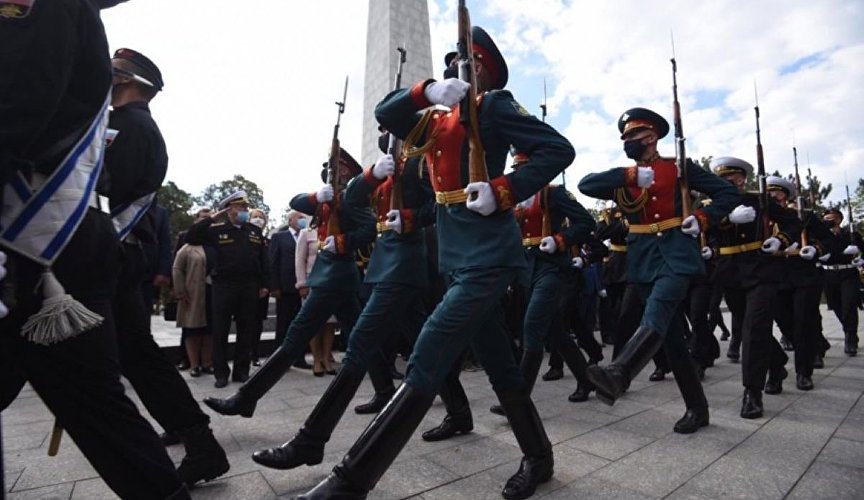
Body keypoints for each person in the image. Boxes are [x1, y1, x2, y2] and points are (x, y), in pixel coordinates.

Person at [297, 26, 574, 500]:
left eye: (461, 64)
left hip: (490, 255)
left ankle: (350, 482)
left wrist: (502, 189)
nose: (451, 70)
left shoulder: (496, 106)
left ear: (482, 69)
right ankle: (539, 457)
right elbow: (388, 111)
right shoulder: (436, 123)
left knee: (428, 352)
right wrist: (427, 92)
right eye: (447, 66)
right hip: (457, 259)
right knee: (502, 369)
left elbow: (558, 149)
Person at [0, 1, 190, 498]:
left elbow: (19, 110)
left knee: (111, 386)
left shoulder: (136, 128)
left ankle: (197, 445)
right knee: (101, 399)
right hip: (64, 246)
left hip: (48, 241)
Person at [101, 46, 230, 486]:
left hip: (108, 256)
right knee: (135, 356)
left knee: (129, 358)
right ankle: (197, 442)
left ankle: (192, 446)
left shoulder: (129, 127)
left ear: (124, 79)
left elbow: (109, 192)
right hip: (110, 256)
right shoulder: (121, 124)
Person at [578, 108, 738, 433]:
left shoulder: (679, 168)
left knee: (658, 309)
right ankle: (698, 408)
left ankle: (619, 372)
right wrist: (629, 177)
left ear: (650, 137)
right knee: (671, 339)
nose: (627, 143)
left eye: (632, 137)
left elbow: (727, 193)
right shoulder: (626, 176)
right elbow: (586, 185)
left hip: (676, 253)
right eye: (624, 138)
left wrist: (703, 218)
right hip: (642, 259)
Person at [202, 150, 374, 416]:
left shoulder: (352, 199)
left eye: (335, 169)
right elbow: (296, 201)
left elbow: (370, 227)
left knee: (295, 337)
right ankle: (387, 390)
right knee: (362, 338)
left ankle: (246, 397)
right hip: (332, 278)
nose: (330, 173)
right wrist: (318, 196)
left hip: (335, 277)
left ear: (345, 173)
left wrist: (342, 243)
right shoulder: (327, 199)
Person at [702, 157, 800, 418]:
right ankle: (777, 363)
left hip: (759, 268)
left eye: (731, 178)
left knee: (755, 327)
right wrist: (722, 223)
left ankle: (751, 392)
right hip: (729, 271)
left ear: (741, 179)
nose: (726, 183)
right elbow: (703, 226)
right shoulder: (709, 205)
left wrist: (780, 240)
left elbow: (793, 222)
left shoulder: (759, 200)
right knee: (749, 329)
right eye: (721, 179)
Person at [186, 191, 270, 387]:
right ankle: (221, 373)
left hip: (249, 286)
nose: (244, 211)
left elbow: (263, 260)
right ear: (229, 209)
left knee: (246, 330)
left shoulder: (254, 231)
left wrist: (265, 284)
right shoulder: (216, 230)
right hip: (224, 285)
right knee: (220, 330)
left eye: (245, 207)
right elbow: (192, 236)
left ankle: (241, 371)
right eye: (239, 207)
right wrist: (211, 219)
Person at [766, 176, 832, 390]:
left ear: (786, 196)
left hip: (803, 274)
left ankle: (804, 372)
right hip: (775, 276)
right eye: (769, 194)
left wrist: (815, 249)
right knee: (785, 323)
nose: (773, 197)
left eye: (778, 194)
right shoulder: (762, 219)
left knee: (804, 321)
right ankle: (814, 347)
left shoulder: (803, 216)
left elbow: (830, 239)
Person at [173, 210, 215, 377]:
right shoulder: (188, 244)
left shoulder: (214, 242)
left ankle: (207, 363)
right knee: (192, 329)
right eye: (204, 218)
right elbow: (177, 269)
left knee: (210, 329)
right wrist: (179, 290)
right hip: (193, 292)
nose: (208, 221)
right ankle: (193, 364)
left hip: (213, 292)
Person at [295, 220, 340, 375]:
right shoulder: (307, 232)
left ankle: (326, 358)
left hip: (333, 281)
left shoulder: (337, 228)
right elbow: (300, 259)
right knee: (314, 322)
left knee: (330, 323)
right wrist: (302, 283)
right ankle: (316, 359)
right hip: (312, 282)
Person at [269, 210, 310, 369]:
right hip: (285, 287)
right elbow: (273, 262)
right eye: (300, 217)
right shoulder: (280, 237)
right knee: (283, 324)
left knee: (300, 324)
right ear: (291, 220)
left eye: (303, 217)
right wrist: (275, 286)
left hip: (303, 287)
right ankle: (278, 361)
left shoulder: (307, 236)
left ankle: (299, 358)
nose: (302, 220)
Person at [820, 207, 863, 356]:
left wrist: (860, 259)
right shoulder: (822, 236)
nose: (831, 222)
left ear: (839, 219)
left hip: (848, 272)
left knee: (849, 305)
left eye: (834, 219)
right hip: (829, 273)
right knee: (837, 306)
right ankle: (848, 329)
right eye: (827, 220)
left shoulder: (850, 234)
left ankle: (850, 338)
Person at [248, 207, 271, 365]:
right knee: (246, 322)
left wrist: (266, 285)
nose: (258, 220)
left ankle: (254, 354)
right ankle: (245, 354)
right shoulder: (245, 237)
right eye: (255, 217)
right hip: (246, 286)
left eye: (261, 217)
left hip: (262, 288)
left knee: (257, 323)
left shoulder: (267, 241)